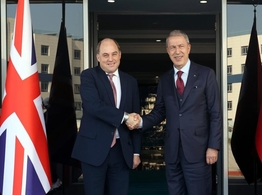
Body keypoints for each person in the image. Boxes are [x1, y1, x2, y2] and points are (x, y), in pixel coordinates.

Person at [128, 30, 222, 195]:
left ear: (189, 48)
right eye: (172, 48)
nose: (177, 51)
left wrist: (213, 146)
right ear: (167, 51)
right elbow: (159, 111)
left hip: (199, 152)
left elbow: (215, 113)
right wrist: (141, 122)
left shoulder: (206, 75)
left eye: (181, 46)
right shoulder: (164, 79)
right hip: (172, 153)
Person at [71, 38, 141, 195]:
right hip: (93, 150)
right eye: (105, 55)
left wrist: (136, 152)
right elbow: (94, 106)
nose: (110, 59)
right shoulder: (89, 76)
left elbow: (135, 117)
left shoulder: (130, 82)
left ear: (120, 55)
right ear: (98, 57)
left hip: (121, 151)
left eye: (114, 54)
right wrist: (124, 117)